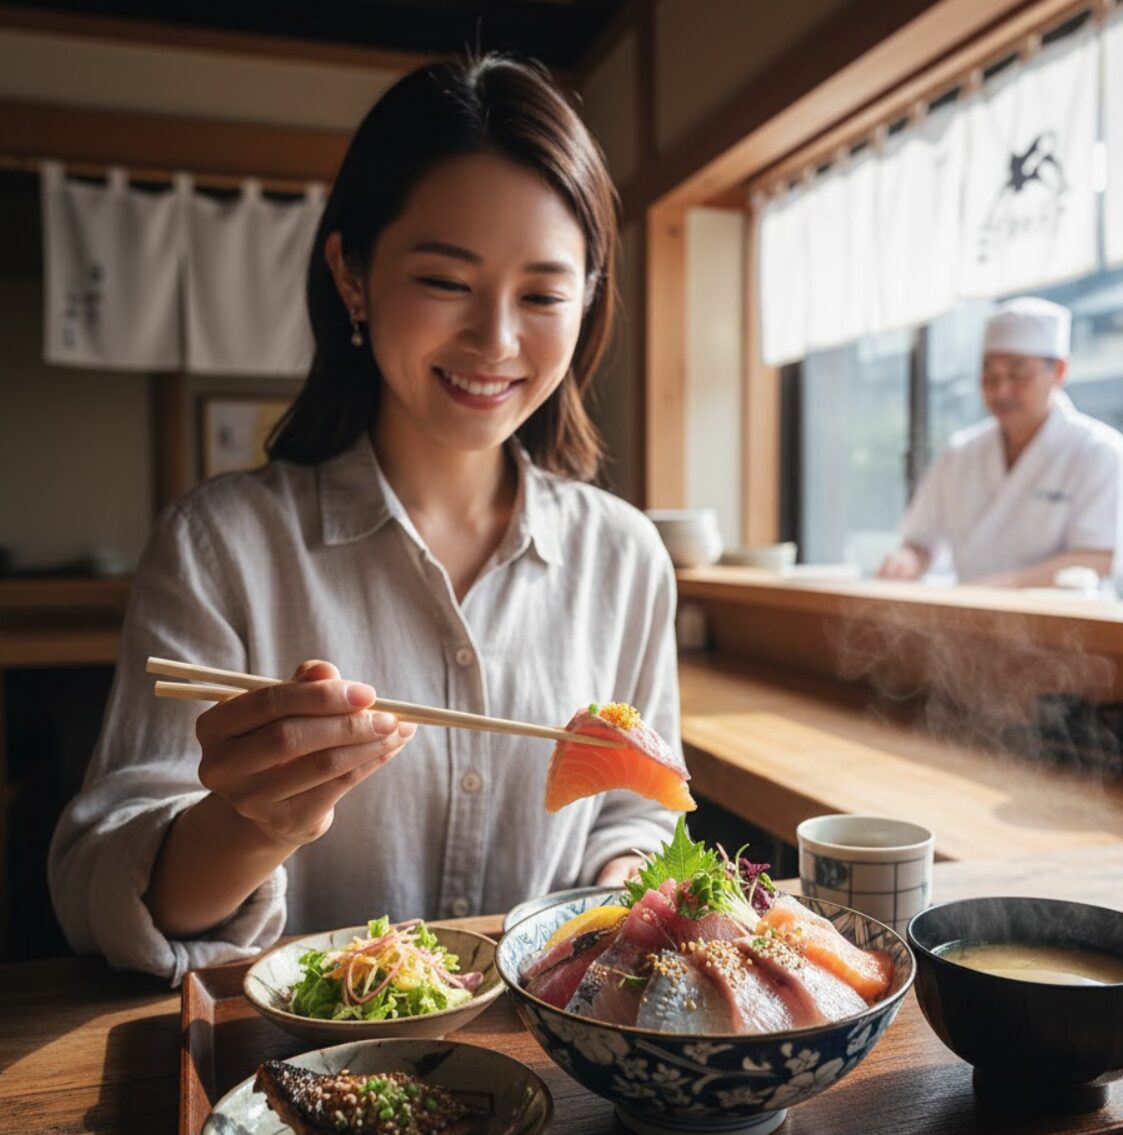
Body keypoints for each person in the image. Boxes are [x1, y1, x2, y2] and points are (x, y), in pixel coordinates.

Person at [48, 55, 678, 982]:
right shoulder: (221, 546)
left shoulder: (624, 555)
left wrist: (628, 889)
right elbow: (96, 884)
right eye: (445, 281)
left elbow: (635, 807)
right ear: (352, 274)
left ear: (586, 301)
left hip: (547, 1056)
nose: (496, 341)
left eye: (542, 294)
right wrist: (251, 821)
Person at [878, 297, 1123, 587]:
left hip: (1068, 626)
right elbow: (921, 542)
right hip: (967, 620)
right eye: (990, 375)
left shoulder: (1099, 451)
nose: (1002, 390)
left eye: (1018, 373)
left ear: (1058, 371)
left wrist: (994, 588)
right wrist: (907, 560)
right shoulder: (960, 453)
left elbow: (1099, 557)